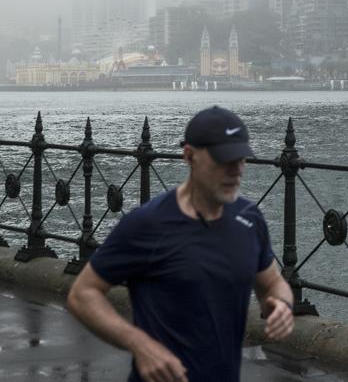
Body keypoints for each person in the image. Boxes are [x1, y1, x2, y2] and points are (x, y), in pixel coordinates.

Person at [67, 105, 294, 382]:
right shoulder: (148, 224)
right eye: (224, 160)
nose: (236, 171)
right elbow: (83, 294)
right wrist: (140, 345)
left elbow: (272, 282)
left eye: (241, 159)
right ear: (189, 156)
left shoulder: (249, 218)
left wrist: (281, 304)